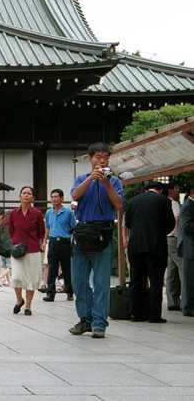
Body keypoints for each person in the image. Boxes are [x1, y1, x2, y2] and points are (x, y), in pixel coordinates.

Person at [69, 142, 124, 339]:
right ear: (90, 158)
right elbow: (75, 195)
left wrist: (106, 183)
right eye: (98, 157)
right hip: (82, 233)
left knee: (101, 283)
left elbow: (118, 205)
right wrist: (91, 179)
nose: (102, 160)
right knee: (78, 282)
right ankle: (85, 319)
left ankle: (99, 323)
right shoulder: (81, 179)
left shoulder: (115, 181)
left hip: (103, 234)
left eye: (105, 157)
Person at [125, 181, 176, 323]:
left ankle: (136, 313)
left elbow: (128, 223)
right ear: (159, 190)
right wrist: (159, 233)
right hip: (156, 247)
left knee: (136, 280)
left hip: (135, 246)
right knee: (156, 281)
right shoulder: (164, 201)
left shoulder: (133, 201)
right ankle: (154, 315)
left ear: (146, 189)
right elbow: (171, 223)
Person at [8, 186, 45, 316]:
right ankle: (19, 300)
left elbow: (41, 231)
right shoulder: (13, 213)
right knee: (16, 277)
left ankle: (28, 306)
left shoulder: (37, 213)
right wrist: (15, 242)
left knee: (32, 279)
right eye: (24, 193)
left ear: (32, 197)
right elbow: (11, 230)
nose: (26, 195)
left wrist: (41, 243)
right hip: (17, 250)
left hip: (33, 249)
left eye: (29, 193)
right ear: (20, 196)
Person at [43, 189, 76, 302]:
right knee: (52, 269)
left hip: (65, 242)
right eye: (52, 197)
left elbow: (73, 228)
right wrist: (44, 241)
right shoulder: (48, 212)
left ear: (61, 198)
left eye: (56, 196)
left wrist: (70, 239)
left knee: (67, 269)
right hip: (52, 242)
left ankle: (70, 292)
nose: (54, 199)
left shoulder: (68, 212)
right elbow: (47, 227)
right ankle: (50, 294)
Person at [166, 184, 183, 311]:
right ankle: (187, 299)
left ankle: (172, 301)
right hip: (174, 238)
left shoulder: (165, 202)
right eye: (177, 189)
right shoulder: (174, 203)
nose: (178, 192)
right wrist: (172, 231)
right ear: (171, 190)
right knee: (183, 268)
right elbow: (176, 218)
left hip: (166, 238)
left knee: (172, 270)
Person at [178, 184, 194, 317]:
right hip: (190, 248)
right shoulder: (188, 206)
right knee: (189, 279)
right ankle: (188, 307)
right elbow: (187, 226)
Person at [0, 210, 12, 287]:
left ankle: (9, 282)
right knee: (10, 267)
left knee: (4, 266)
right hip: (8, 248)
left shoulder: (0, 225)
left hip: (1, 248)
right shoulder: (9, 225)